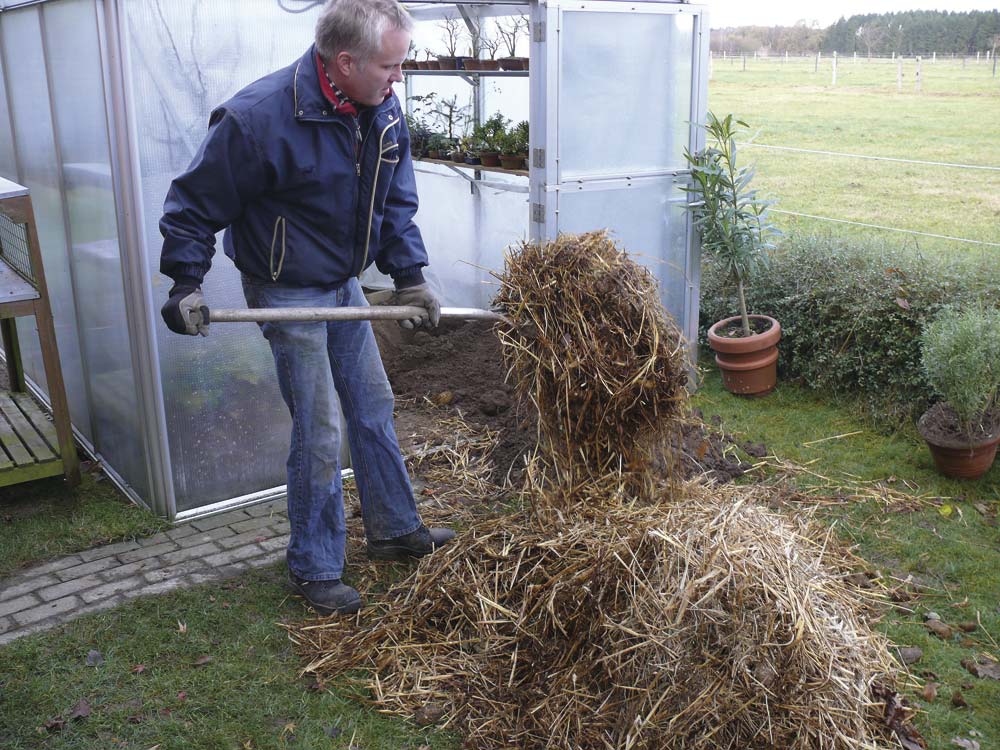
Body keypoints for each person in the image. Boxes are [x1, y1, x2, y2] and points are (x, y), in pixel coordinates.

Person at [158, 0, 454, 616]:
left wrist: (411, 278)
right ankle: (316, 564)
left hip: (342, 283)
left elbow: (394, 201)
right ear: (344, 62)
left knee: (372, 404)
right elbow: (193, 204)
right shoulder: (258, 119)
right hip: (285, 285)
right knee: (319, 426)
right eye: (389, 65)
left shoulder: (379, 110)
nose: (398, 77)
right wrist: (185, 281)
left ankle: (395, 530)